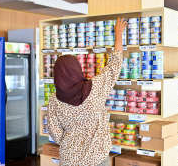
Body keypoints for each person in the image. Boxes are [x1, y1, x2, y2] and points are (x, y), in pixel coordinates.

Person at [47, 18, 127, 166]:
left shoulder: (54, 99)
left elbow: (54, 132)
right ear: (77, 69)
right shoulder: (94, 87)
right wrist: (118, 34)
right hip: (96, 158)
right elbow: (115, 65)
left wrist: (72, 141)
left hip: (69, 159)